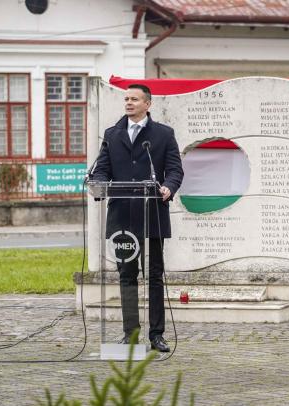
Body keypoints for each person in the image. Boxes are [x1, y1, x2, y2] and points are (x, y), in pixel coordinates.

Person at [91, 84, 184, 352]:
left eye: (134, 99)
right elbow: (102, 170)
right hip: (122, 217)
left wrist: (169, 186)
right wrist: (98, 184)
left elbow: (175, 171)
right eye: (126, 99)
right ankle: (130, 335)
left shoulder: (164, 135)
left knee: (154, 275)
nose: (129, 103)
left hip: (152, 212)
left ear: (148, 104)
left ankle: (157, 335)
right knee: (127, 275)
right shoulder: (112, 134)